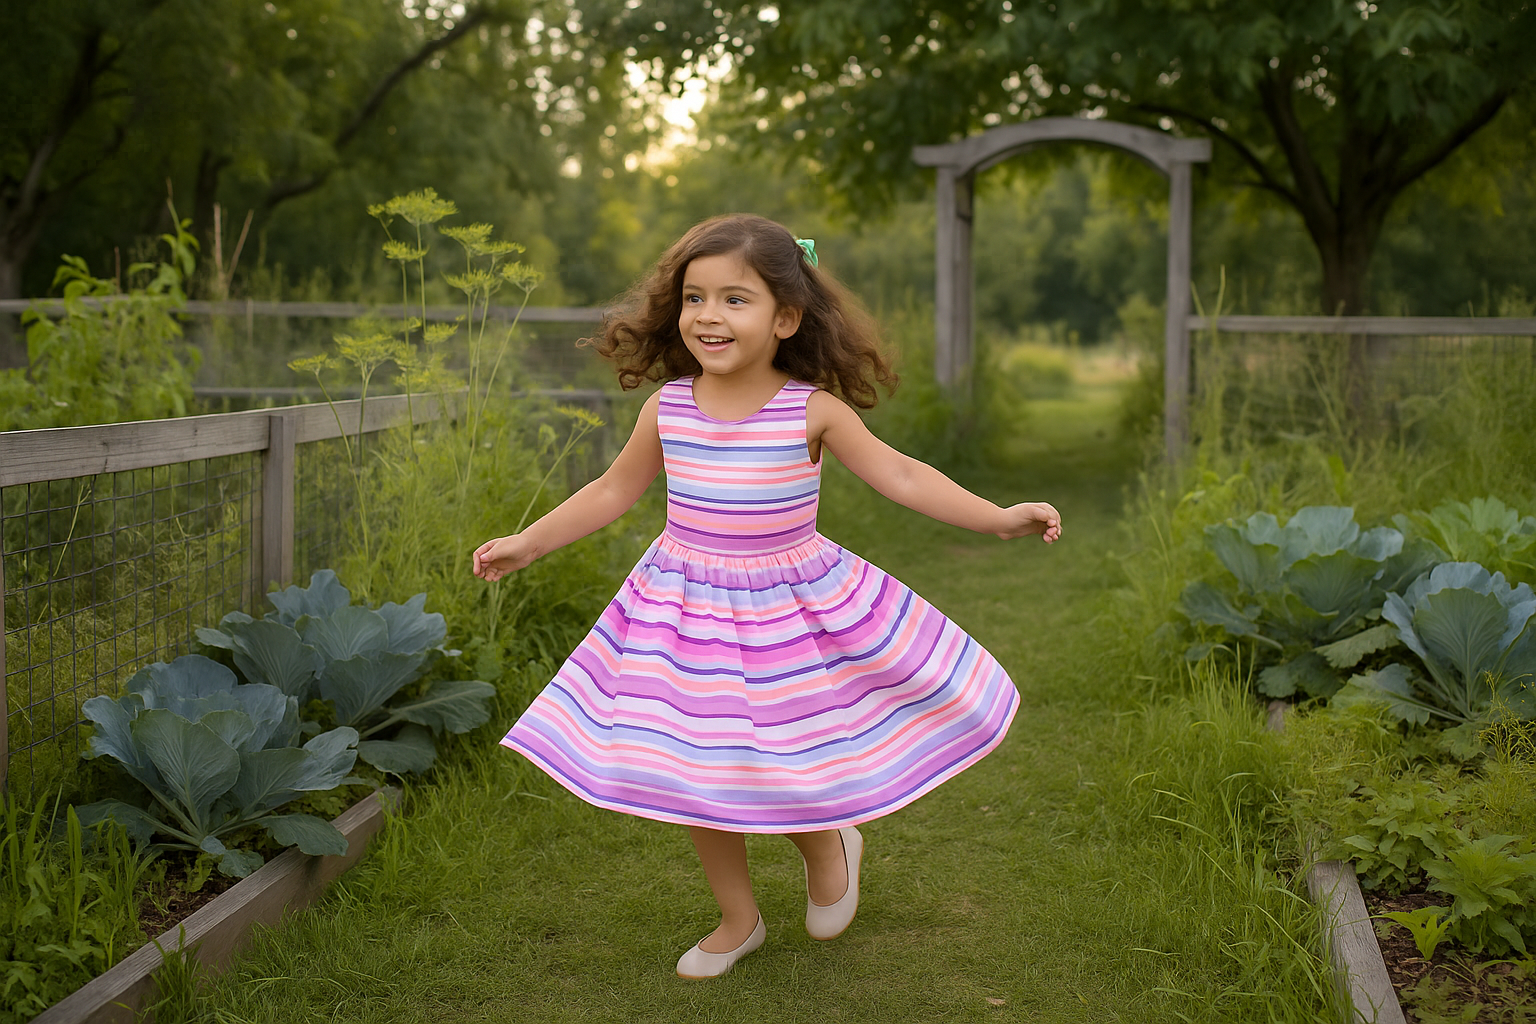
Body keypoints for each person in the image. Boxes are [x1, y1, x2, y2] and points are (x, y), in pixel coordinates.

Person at [472, 214, 1061, 979]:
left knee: (783, 758)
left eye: (734, 300)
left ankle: (829, 840)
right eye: (694, 298)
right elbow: (615, 488)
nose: (709, 317)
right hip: (681, 611)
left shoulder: (810, 410)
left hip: (788, 613)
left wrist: (998, 517)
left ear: (785, 317)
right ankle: (737, 918)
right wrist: (530, 540)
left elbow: (904, 475)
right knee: (696, 768)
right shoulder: (670, 408)